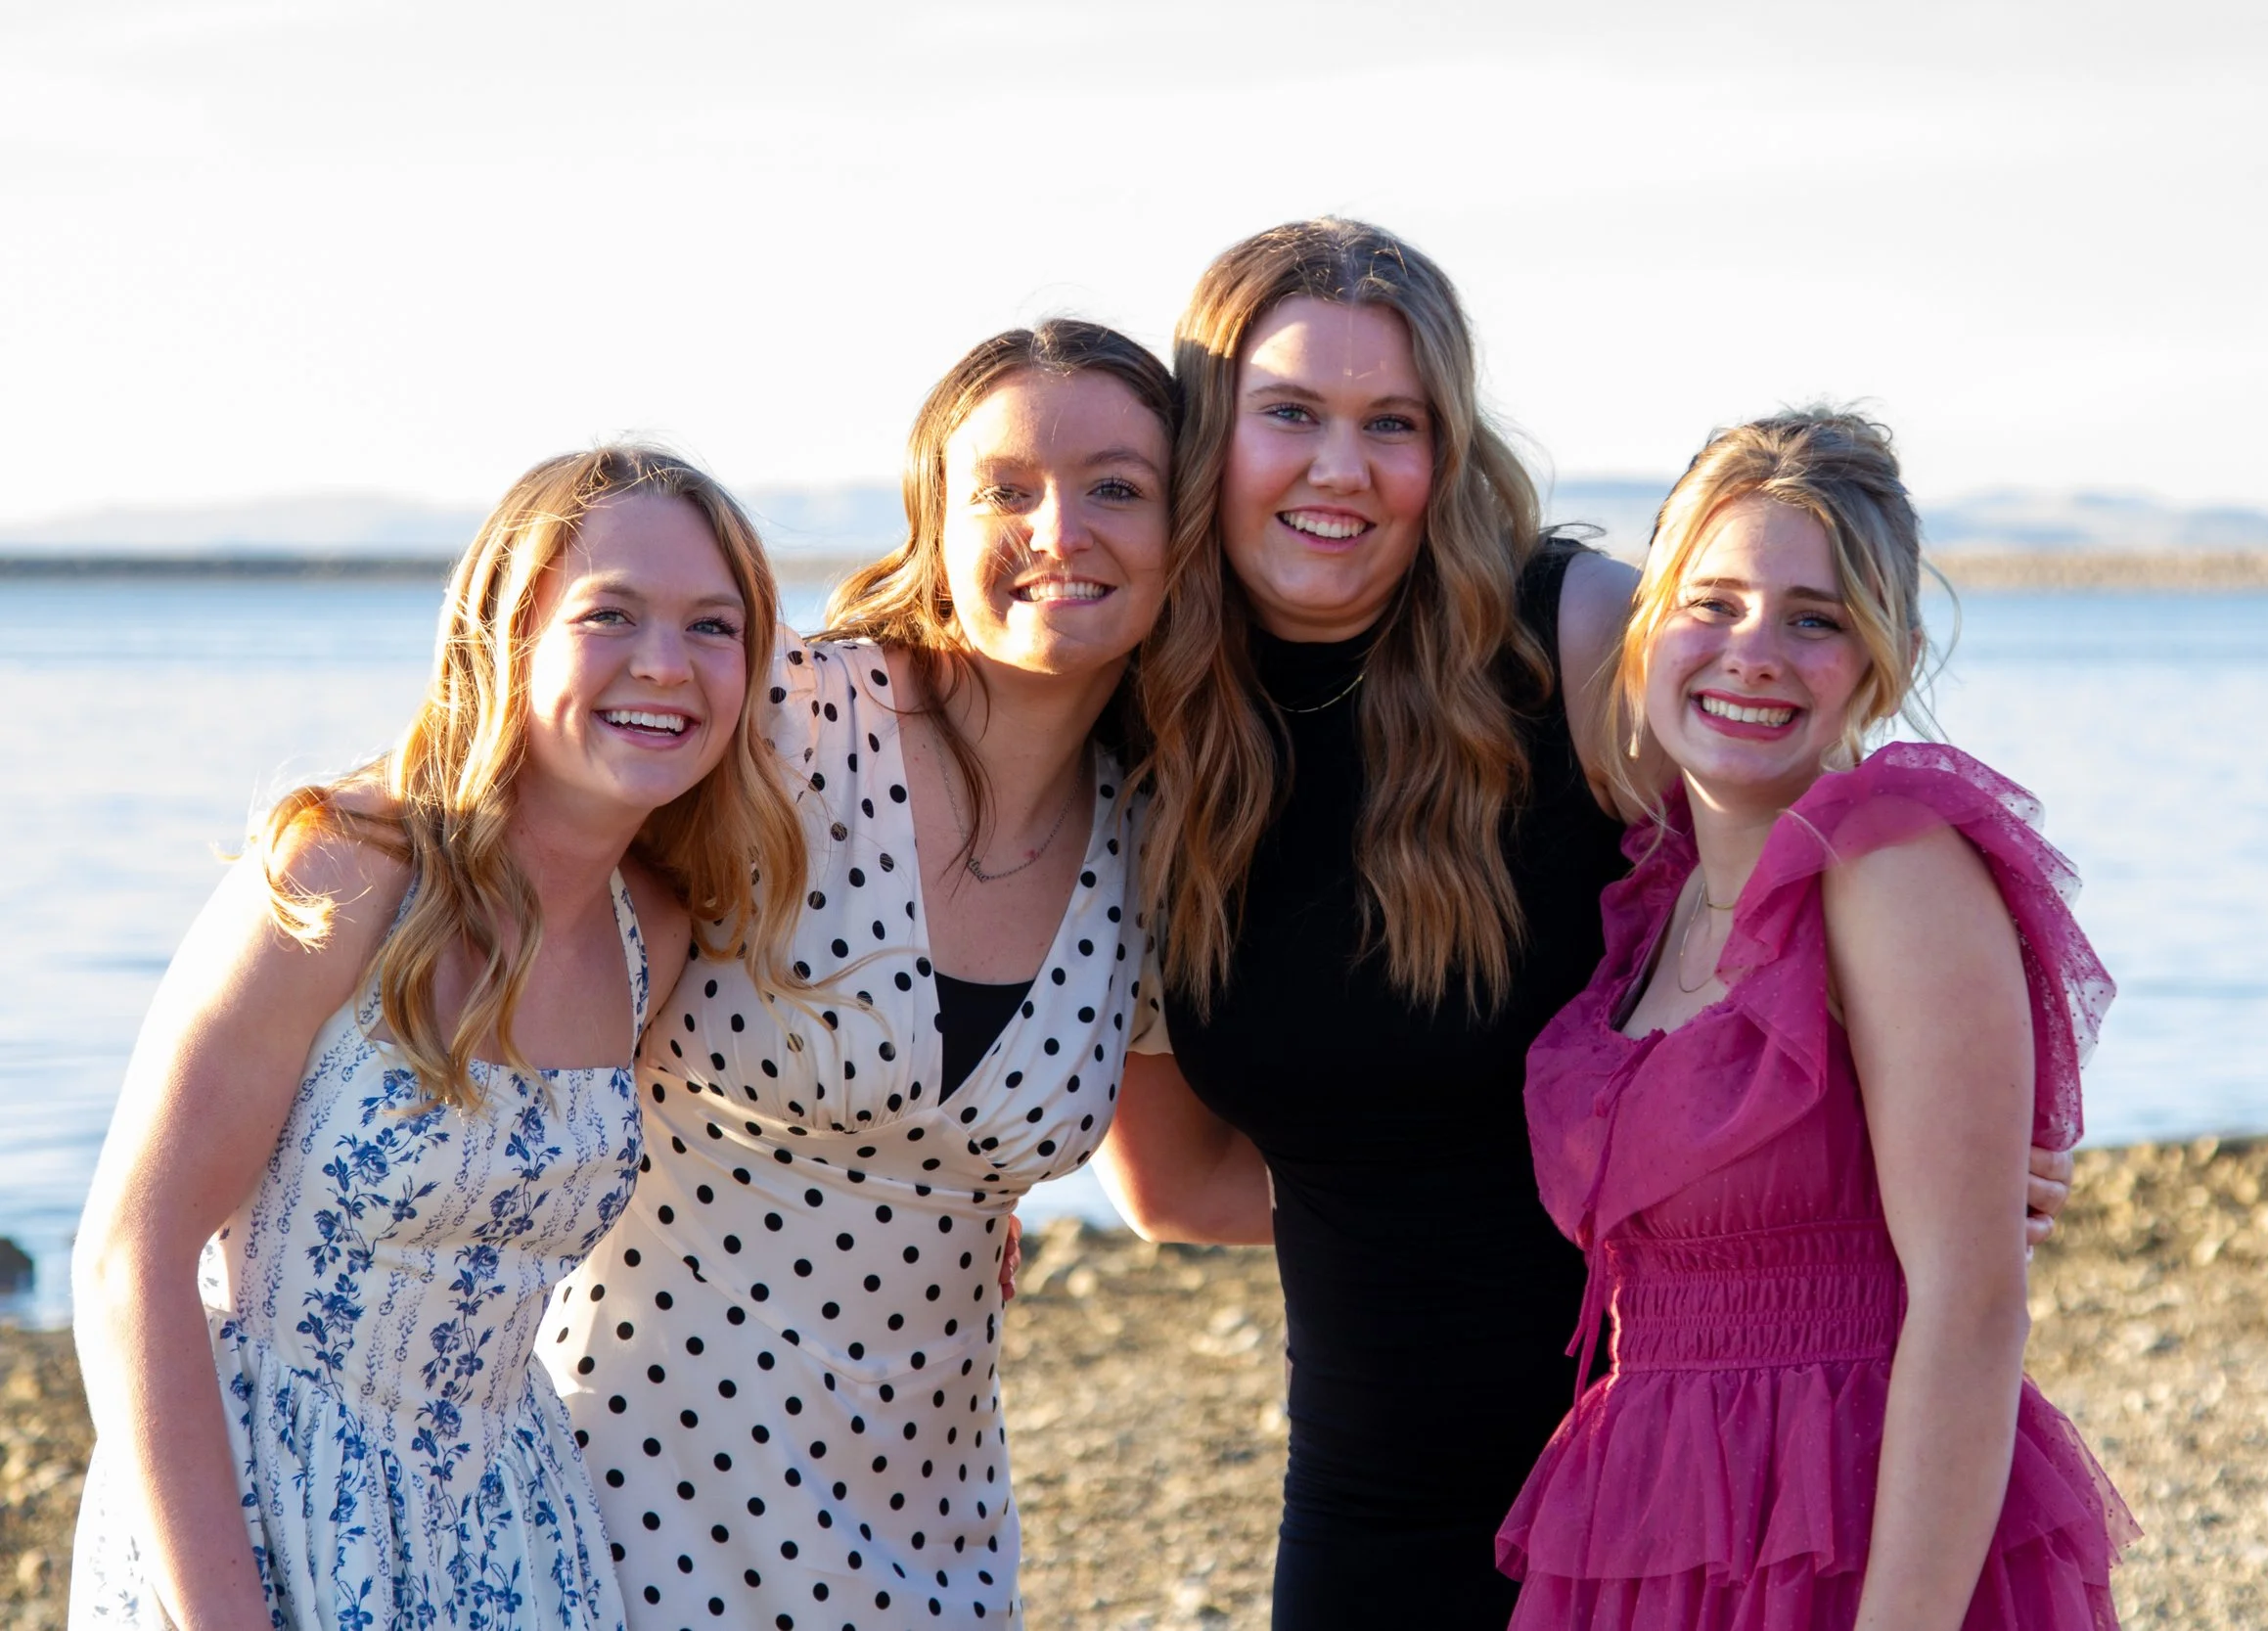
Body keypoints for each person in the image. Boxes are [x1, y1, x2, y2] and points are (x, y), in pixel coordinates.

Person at [1094, 219, 2078, 1629]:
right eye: (1290, 412)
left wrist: (1932, 1160)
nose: (1340, 464)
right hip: (1372, 1499)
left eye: (1396, 420)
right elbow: (1173, 1182)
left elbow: (1800, 784)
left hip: (1712, 1482)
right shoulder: (1156, 731)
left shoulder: (1571, 638)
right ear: (1207, 436)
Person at [69, 446, 804, 1629]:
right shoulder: (344, 874)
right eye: (609, 613)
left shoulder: (651, 935)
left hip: (515, 1520)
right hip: (264, 1507)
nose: (665, 663)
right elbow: (127, 1257)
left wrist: (976, 1189)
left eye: (712, 626)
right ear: (503, 634)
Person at [543, 321, 1174, 1630]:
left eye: (1118, 485)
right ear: (932, 520)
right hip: (623, 1485)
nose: (1059, 528)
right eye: (1005, 488)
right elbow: (493, 860)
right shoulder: (778, 722)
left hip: (923, 1537)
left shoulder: (1161, 838)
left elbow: (1181, 1182)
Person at [1495, 408, 2133, 1627]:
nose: (1753, 651)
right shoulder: (1650, 901)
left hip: (1853, 1526)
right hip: (1645, 1519)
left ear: (1877, 660)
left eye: (1815, 617)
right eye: (1712, 601)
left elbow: (1972, 1301)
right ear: (1645, 632)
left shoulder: (1888, 860)